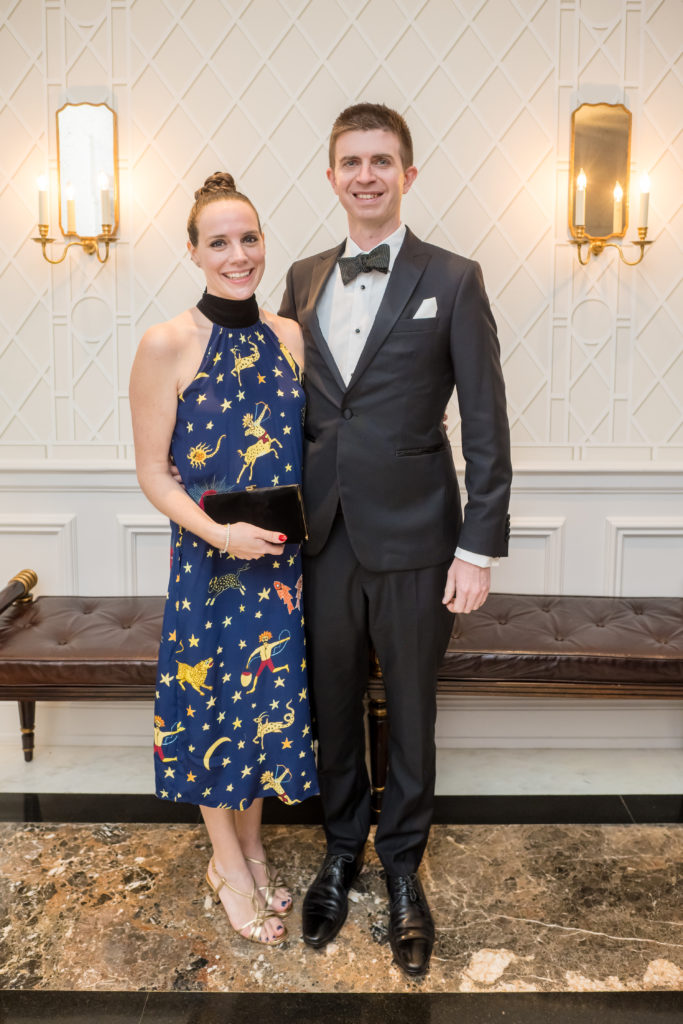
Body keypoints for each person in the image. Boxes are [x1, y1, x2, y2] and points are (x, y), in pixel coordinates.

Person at [278, 103, 512, 976]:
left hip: (420, 537)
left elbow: (485, 419)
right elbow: (279, 410)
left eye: (382, 161)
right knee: (330, 703)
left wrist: (478, 546)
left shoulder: (453, 277)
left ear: (406, 175)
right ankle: (340, 851)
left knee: (411, 711)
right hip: (318, 535)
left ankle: (403, 868)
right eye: (351, 161)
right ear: (331, 175)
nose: (366, 175)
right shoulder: (299, 279)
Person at [130, 172, 318, 947]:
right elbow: (151, 472)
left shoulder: (288, 335)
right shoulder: (167, 342)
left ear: (262, 242)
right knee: (212, 708)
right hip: (209, 565)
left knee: (262, 710)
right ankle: (229, 864)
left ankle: (250, 846)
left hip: (279, 568)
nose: (237, 255)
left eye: (248, 239)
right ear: (193, 251)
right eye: (219, 242)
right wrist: (219, 535)